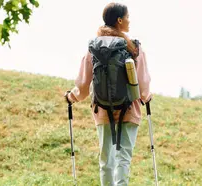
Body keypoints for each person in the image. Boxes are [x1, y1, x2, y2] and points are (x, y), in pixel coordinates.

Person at [63, 2, 152, 186]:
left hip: (102, 110)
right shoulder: (133, 47)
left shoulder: (94, 47)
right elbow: (143, 85)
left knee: (106, 161)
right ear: (119, 20)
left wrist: (71, 97)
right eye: (127, 17)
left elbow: (83, 85)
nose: (129, 20)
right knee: (123, 159)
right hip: (129, 109)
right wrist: (146, 96)